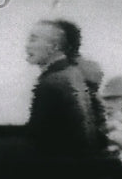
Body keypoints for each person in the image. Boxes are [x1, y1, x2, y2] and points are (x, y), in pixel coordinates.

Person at [24, 19, 100, 154]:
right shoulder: (72, 73)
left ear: (53, 46)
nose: (27, 46)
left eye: (33, 40)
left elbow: (37, 139)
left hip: (61, 166)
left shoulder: (51, 83)